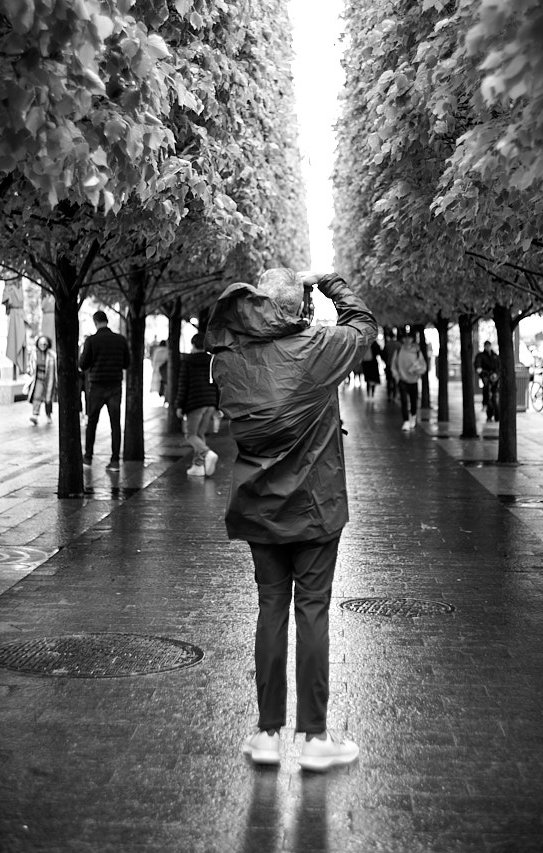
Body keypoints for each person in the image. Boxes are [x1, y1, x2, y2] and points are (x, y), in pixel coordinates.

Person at [204, 268, 377, 771]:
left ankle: (266, 734)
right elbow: (362, 324)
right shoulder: (316, 348)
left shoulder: (229, 358)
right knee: (314, 610)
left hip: (259, 505)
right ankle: (316, 740)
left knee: (272, 607)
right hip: (315, 505)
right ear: (298, 310)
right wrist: (330, 282)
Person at [79, 310, 130, 471]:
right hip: (115, 386)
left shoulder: (91, 341)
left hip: (96, 387)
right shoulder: (120, 340)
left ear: (95, 322)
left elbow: (83, 364)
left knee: (92, 422)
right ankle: (115, 461)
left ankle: (88, 457)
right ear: (107, 321)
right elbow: (126, 363)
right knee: (115, 424)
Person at [175, 332, 218, 477]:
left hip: (195, 402)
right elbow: (217, 382)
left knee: (190, 435)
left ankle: (207, 453)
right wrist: (217, 405)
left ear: (193, 345)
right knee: (200, 434)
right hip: (210, 402)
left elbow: (183, 385)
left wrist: (179, 405)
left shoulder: (187, 361)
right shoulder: (212, 360)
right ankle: (198, 466)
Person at [391, 331, 426, 430]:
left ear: (412, 339)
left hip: (414, 380)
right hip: (402, 380)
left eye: (409, 338)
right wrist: (397, 377)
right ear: (402, 339)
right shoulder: (398, 351)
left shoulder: (417, 352)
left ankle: (413, 417)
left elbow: (423, 366)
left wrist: (417, 371)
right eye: (405, 338)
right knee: (404, 401)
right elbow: (393, 366)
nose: (407, 340)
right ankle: (406, 421)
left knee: (413, 401)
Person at [27, 335, 57, 424]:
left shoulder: (52, 355)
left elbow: (55, 369)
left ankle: (48, 415)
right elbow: (30, 366)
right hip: (38, 378)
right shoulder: (34, 353)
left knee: (48, 398)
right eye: (41, 343)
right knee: (37, 395)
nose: (43, 345)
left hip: (49, 379)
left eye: (45, 344)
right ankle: (35, 415)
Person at [474, 340, 500, 422]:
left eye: (489, 346)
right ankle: (488, 411)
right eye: (487, 346)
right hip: (486, 377)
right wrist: (481, 371)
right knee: (487, 392)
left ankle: (497, 416)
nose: (488, 347)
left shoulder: (494, 355)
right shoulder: (481, 356)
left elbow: (498, 366)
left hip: (495, 378)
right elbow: (478, 366)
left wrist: (496, 374)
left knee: (495, 397)